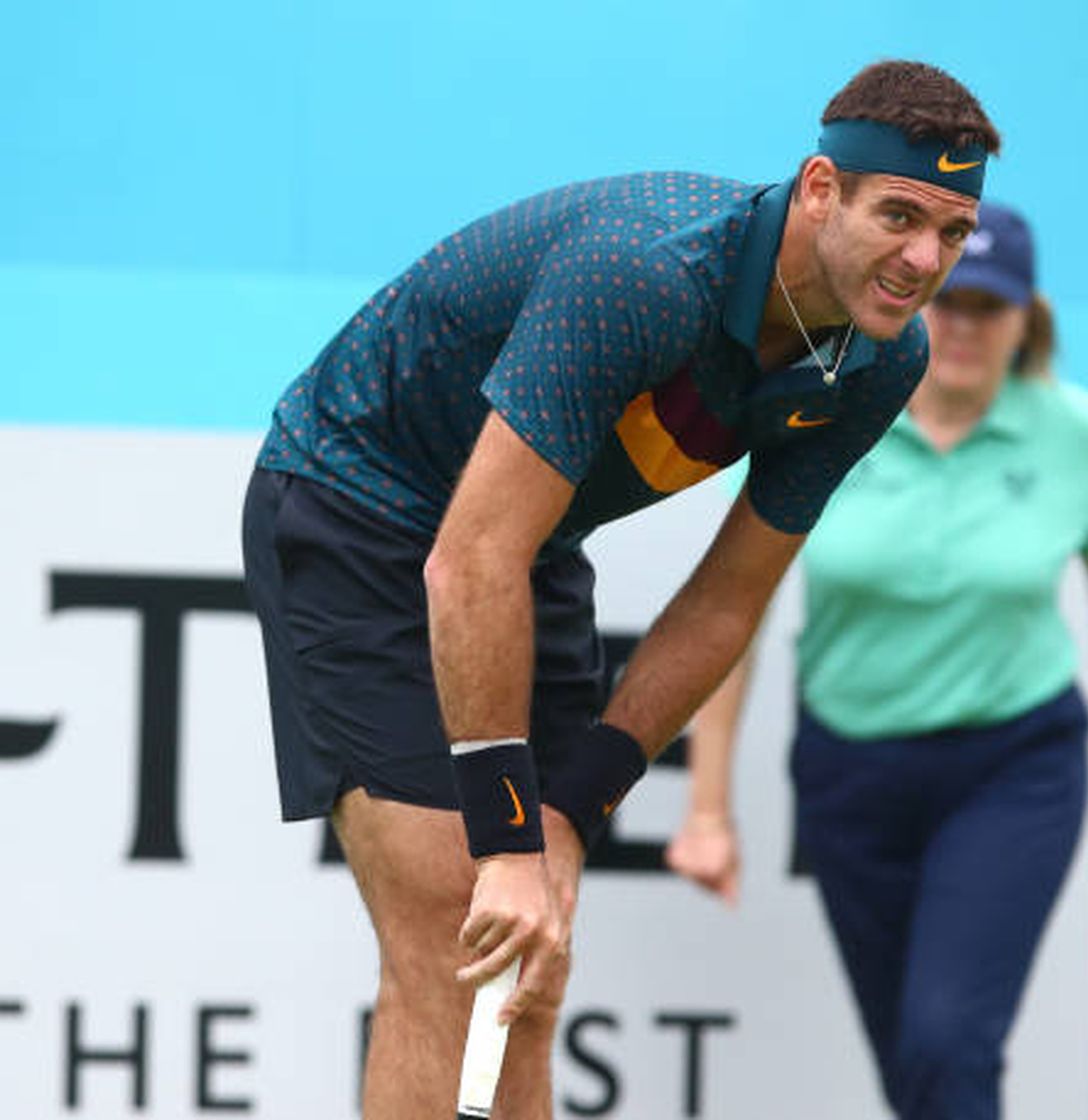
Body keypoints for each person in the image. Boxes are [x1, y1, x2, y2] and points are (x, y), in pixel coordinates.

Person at [240, 61, 1000, 1119]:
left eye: (953, 233)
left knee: (528, 972)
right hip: (361, 504)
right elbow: (467, 561)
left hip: (529, 542)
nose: (925, 260)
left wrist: (571, 802)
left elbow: (728, 599)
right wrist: (509, 834)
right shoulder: (646, 274)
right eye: (901, 216)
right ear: (821, 189)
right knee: (460, 933)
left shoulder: (878, 360)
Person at [667, 202, 1088, 1119]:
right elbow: (734, 611)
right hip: (851, 773)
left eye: (992, 306)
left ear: (1028, 320)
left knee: (947, 1040)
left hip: (1014, 766)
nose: (966, 325)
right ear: (917, 298)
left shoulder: (1072, 433)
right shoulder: (829, 409)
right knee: (915, 1067)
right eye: (952, 299)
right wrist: (706, 806)